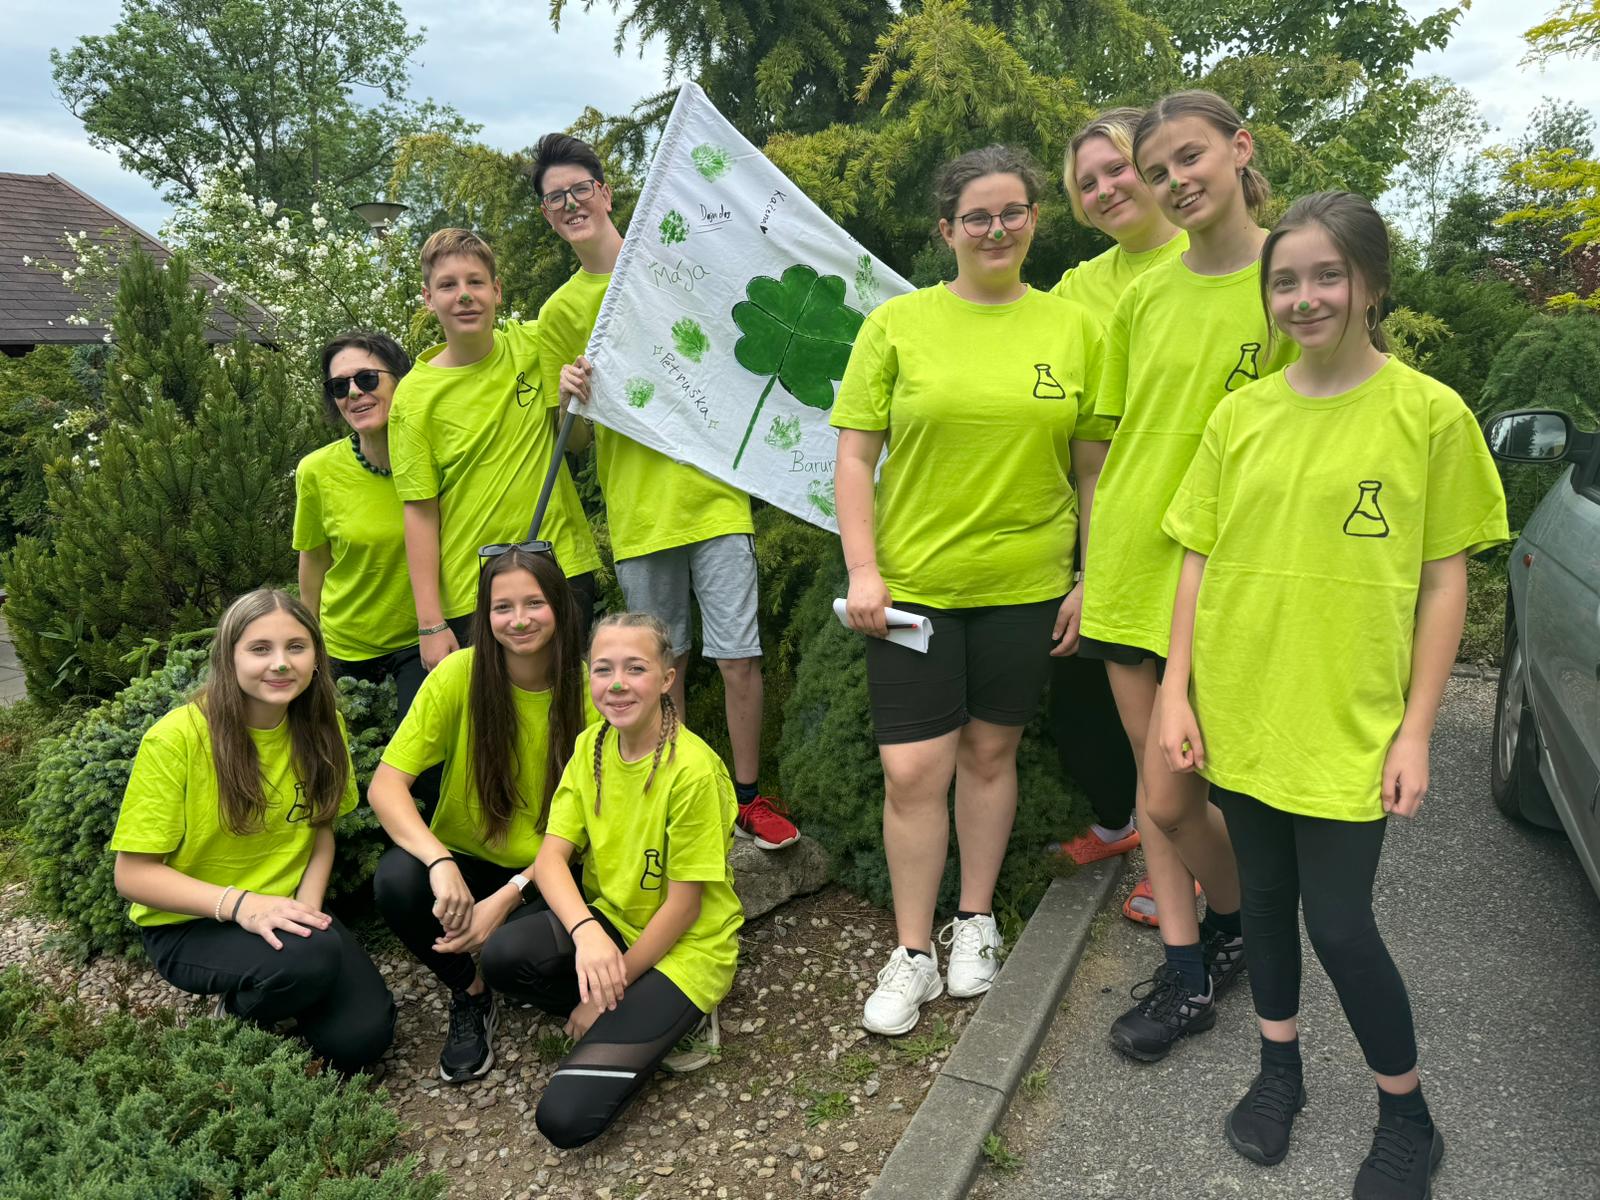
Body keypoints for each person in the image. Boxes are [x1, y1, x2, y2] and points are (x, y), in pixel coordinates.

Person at [1157, 190, 1508, 1199]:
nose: (1303, 298)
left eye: (1326, 276)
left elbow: (1444, 581)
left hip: (1351, 720)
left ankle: (1407, 1116)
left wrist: (1417, 732)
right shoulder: (1241, 415)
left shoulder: (1428, 415)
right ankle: (1280, 1072)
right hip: (1242, 706)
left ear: (1371, 285)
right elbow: (1195, 559)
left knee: (1342, 925)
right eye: (1284, 281)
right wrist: (1177, 692)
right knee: (1264, 904)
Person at [833, 145, 1112, 1036]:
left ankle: (976, 920)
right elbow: (854, 456)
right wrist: (864, 569)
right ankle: (913, 951)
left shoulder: (1075, 329)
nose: (997, 229)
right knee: (912, 770)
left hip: (1026, 585)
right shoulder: (897, 325)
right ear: (947, 229)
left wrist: (1090, 576)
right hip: (913, 586)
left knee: (991, 756)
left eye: (1012, 212)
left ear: (1034, 220)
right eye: (977, 216)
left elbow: (1092, 469)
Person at [1079, 90, 1296, 1063]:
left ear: (1239, 148)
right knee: (1157, 788)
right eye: (1157, 170)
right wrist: (1089, 569)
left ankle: (1239, 918)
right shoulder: (1143, 296)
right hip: (1132, 563)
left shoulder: (1292, 279)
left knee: (1204, 788)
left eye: (1190, 157)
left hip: (1234, 570)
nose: (1175, 181)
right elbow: (1103, 451)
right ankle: (1187, 969)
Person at [535, 132, 799, 852]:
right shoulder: (559, 313)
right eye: (555, 199)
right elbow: (574, 445)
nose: (570, 204)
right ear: (548, 214)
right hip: (639, 513)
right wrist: (568, 397)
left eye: (579, 189)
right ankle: (678, 797)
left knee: (739, 658)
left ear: (604, 192)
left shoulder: (669, 266)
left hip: (714, 498)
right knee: (660, 668)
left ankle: (748, 797)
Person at [109, 589, 394, 1076]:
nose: (280, 663)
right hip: (191, 923)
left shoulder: (324, 726)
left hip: (284, 910)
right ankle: (238, 1012)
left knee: (363, 1041)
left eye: (296, 647)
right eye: (260, 648)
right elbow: (133, 876)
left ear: (316, 657)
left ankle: (290, 981)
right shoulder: (176, 739)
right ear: (229, 657)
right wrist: (244, 905)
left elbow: (321, 830)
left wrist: (308, 911)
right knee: (309, 959)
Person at [506, 612, 743, 1149]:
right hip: (612, 922)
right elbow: (551, 860)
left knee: (564, 1119)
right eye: (603, 669)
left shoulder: (693, 771)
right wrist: (588, 932)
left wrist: (606, 993)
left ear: (666, 679)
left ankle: (681, 1014)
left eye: (635, 668)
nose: (616, 684)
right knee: (503, 957)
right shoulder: (590, 746)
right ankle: (627, 1006)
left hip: (686, 948)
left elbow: (684, 907)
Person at [368, 548, 598, 1083]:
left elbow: (587, 831)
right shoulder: (459, 674)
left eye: (534, 603)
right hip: (466, 858)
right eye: (502, 607)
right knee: (397, 880)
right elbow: (386, 786)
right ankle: (469, 993)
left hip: (553, 869)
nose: (519, 620)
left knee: (509, 955)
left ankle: (608, 993)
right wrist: (438, 861)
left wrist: (510, 895)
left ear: (560, 606)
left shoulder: (587, 691)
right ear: (484, 614)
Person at [1045, 107, 1185, 888]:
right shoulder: (1076, 289)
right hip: (1104, 514)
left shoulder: (1213, 261)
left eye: (1117, 169)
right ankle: (1117, 823)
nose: (1104, 190)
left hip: (1199, 519)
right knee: (1081, 685)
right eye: (1087, 182)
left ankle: (1194, 854)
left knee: (1184, 697)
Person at [389, 227, 602, 669]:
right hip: (474, 590)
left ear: (497, 291)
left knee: (570, 700)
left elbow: (577, 443)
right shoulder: (412, 397)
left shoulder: (535, 344)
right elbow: (419, 512)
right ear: (428, 299)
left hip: (561, 567)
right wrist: (430, 623)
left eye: (475, 282)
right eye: (448, 285)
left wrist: (570, 402)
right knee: (491, 711)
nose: (464, 295)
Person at [296, 330, 426, 717]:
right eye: (339, 386)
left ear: (401, 381)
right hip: (344, 647)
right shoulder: (316, 471)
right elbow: (314, 559)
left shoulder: (437, 459)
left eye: (367, 379)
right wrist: (306, 641)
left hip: (421, 642)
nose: (354, 393)